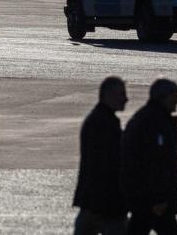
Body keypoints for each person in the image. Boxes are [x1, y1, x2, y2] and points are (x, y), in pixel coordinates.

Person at [121, 79, 177, 235]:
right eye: (174, 95)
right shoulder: (155, 122)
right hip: (154, 201)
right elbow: (155, 162)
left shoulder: (148, 117)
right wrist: (158, 198)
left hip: (144, 198)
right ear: (164, 97)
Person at [73, 76, 128, 235]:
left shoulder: (99, 120)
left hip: (93, 201)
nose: (126, 99)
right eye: (121, 94)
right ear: (108, 95)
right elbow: (106, 165)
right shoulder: (105, 124)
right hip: (105, 204)